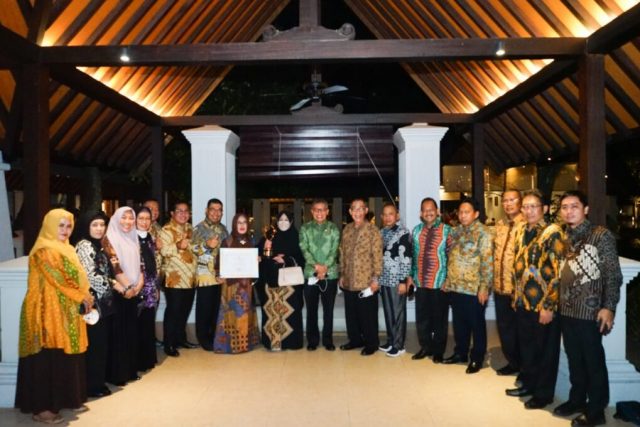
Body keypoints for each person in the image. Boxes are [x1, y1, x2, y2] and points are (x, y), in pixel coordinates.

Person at [15, 209, 94, 424]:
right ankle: (42, 408)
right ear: (49, 225)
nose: (65, 230)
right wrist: (83, 296)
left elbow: (77, 278)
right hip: (45, 311)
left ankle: (63, 399)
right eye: (60, 225)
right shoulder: (44, 250)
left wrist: (84, 295)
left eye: (68, 226)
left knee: (62, 357)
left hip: (65, 308)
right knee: (46, 357)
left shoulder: (67, 249)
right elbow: (59, 278)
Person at [553, 191, 622, 426]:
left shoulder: (600, 235)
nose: (568, 211)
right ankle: (577, 400)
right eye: (564, 207)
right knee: (575, 359)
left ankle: (596, 411)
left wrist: (609, 307)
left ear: (586, 209)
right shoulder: (564, 236)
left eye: (574, 206)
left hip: (590, 311)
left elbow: (613, 274)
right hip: (567, 309)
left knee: (593, 362)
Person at [506, 190, 564, 410]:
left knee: (545, 351)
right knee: (527, 347)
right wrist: (515, 296)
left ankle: (543, 395)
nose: (528, 211)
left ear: (545, 209)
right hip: (523, 302)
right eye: (526, 207)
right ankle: (529, 385)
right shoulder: (522, 230)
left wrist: (549, 306)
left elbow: (557, 273)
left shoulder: (553, 232)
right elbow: (517, 266)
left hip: (543, 304)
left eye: (533, 206)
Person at [443, 198, 493, 374]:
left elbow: (487, 262)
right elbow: (451, 257)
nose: (463, 215)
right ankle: (460, 353)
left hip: (474, 288)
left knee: (476, 325)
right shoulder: (456, 231)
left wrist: (484, 287)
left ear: (476, 214)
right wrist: (448, 280)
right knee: (459, 324)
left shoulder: (484, 233)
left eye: (467, 212)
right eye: (461, 212)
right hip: (456, 286)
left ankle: (477, 358)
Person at [75, 211, 116, 398]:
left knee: (100, 344)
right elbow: (91, 276)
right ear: (86, 226)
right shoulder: (84, 245)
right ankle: (92, 386)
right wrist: (113, 286)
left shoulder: (98, 244)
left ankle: (97, 382)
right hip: (92, 304)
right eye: (95, 225)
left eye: (102, 225)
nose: (99, 228)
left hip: (102, 303)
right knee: (95, 345)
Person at [407, 197, 452, 363]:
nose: (428, 213)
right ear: (421, 213)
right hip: (420, 282)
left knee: (439, 319)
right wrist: (410, 277)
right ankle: (425, 347)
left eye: (431, 209)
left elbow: (452, 258)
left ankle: (438, 351)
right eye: (425, 210)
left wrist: (448, 279)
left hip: (440, 283)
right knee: (422, 318)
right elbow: (412, 256)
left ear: (437, 211)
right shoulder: (416, 231)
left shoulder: (447, 231)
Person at [103, 206, 144, 386]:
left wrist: (138, 285)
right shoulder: (108, 239)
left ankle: (130, 370)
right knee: (118, 334)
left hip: (133, 291)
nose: (128, 222)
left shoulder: (134, 237)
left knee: (131, 332)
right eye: (124, 218)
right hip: (119, 291)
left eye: (131, 218)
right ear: (116, 219)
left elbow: (140, 264)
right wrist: (128, 287)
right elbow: (115, 267)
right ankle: (118, 374)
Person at [339, 198, 383, 356]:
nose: (357, 212)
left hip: (367, 282)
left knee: (368, 316)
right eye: (354, 209)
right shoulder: (347, 229)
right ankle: (355, 340)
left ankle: (372, 343)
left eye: (360, 208)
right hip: (349, 280)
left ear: (365, 211)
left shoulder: (373, 230)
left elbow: (378, 256)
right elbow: (342, 253)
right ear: (350, 211)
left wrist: (376, 280)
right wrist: (342, 274)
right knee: (351, 315)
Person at [257, 211, 305, 350]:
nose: (283, 223)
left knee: (290, 313)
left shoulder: (296, 237)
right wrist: (265, 252)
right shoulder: (269, 236)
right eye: (280, 220)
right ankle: (273, 342)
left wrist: (286, 260)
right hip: (271, 282)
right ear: (276, 222)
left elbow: (302, 258)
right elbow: (259, 256)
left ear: (291, 222)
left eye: (286, 220)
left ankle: (291, 343)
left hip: (290, 285)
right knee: (272, 312)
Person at [213, 213, 260, 353]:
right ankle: (228, 345)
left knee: (245, 314)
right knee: (231, 314)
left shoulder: (251, 241)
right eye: (239, 222)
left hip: (246, 286)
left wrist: (257, 260)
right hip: (231, 286)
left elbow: (253, 265)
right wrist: (218, 274)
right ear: (234, 224)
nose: (242, 225)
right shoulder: (227, 241)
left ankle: (245, 344)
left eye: (244, 222)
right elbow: (219, 261)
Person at [299, 199, 340, 351]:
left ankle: (328, 340)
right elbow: (304, 249)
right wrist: (317, 267)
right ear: (312, 212)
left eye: (322, 209)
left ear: (327, 212)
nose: (319, 213)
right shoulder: (305, 228)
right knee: (311, 310)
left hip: (330, 274)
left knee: (328, 310)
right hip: (311, 273)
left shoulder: (334, 228)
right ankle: (312, 340)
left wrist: (325, 268)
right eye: (316, 210)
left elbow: (334, 250)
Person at [159, 201, 197, 357]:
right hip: (173, 278)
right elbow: (162, 250)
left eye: (186, 211)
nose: (183, 214)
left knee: (184, 311)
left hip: (190, 278)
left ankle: (180, 339)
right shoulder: (166, 230)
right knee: (173, 311)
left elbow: (195, 249)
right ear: (172, 213)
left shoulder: (190, 229)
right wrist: (178, 246)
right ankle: (168, 344)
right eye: (179, 211)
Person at [493, 190, 524, 377]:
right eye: (505, 200)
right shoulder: (500, 225)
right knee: (505, 329)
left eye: (512, 200)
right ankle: (513, 362)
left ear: (520, 202)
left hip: (518, 290)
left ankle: (525, 367)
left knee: (522, 330)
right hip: (499, 287)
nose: (508, 203)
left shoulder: (526, 225)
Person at [191, 198, 228, 351]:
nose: (216, 213)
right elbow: (191, 250)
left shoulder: (224, 229)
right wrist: (206, 245)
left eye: (219, 210)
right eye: (213, 209)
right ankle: (203, 339)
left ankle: (213, 336)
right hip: (205, 275)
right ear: (206, 211)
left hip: (220, 275)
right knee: (204, 309)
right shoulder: (198, 229)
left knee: (215, 308)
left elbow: (227, 252)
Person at [379, 203, 412, 357]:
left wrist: (403, 281)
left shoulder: (403, 233)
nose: (388, 217)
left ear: (397, 216)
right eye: (385, 214)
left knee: (398, 313)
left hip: (397, 279)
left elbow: (406, 258)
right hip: (384, 278)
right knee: (388, 312)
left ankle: (399, 345)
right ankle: (391, 340)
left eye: (391, 214)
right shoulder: (381, 232)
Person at [135, 206, 160, 371]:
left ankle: (148, 359)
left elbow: (154, 264)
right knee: (138, 325)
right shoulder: (131, 239)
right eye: (141, 218)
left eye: (147, 219)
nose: (144, 222)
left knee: (148, 323)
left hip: (150, 287)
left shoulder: (150, 238)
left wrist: (156, 286)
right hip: (137, 287)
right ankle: (138, 362)